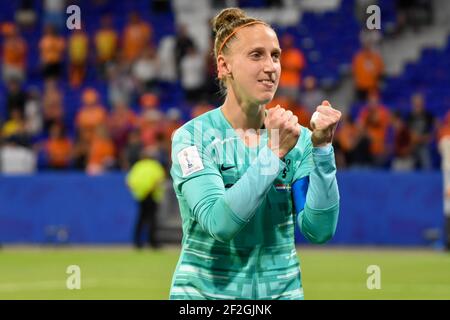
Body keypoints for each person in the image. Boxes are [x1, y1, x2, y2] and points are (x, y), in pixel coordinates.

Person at [169, 8, 341, 300]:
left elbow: (319, 230)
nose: (271, 66)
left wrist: (322, 149)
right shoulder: (192, 138)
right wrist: (272, 153)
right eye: (256, 55)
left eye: (275, 55)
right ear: (224, 67)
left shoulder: (296, 139)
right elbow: (219, 224)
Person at [126, 148, 166, 249]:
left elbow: (129, 182)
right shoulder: (155, 165)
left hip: (141, 196)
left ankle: (137, 243)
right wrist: (151, 189)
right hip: (152, 195)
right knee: (152, 220)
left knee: (141, 219)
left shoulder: (137, 166)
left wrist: (138, 191)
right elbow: (160, 179)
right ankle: (153, 243)